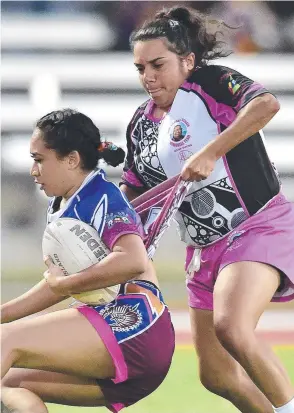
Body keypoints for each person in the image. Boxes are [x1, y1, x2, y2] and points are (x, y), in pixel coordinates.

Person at [120, 6, 294, 413]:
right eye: (140, 67)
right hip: (202, 251)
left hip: (257, 227)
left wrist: (211, 151)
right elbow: (134, 190)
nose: (148, 76)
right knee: (216, 376)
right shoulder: (140, 125)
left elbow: (266, 104)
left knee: (232, 327)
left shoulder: (212, 84)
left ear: (188, 61)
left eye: (158, 64)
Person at [1, 109, 175, 413]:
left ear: (71, 160)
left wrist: (65, 283)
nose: (33, 170)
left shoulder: (101, 196)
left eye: (40, 160)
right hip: (126, 339)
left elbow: (133, 260)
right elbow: (56, 286)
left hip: (135, 325)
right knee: (10, 384)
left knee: (5, 342)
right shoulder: (65, 205)